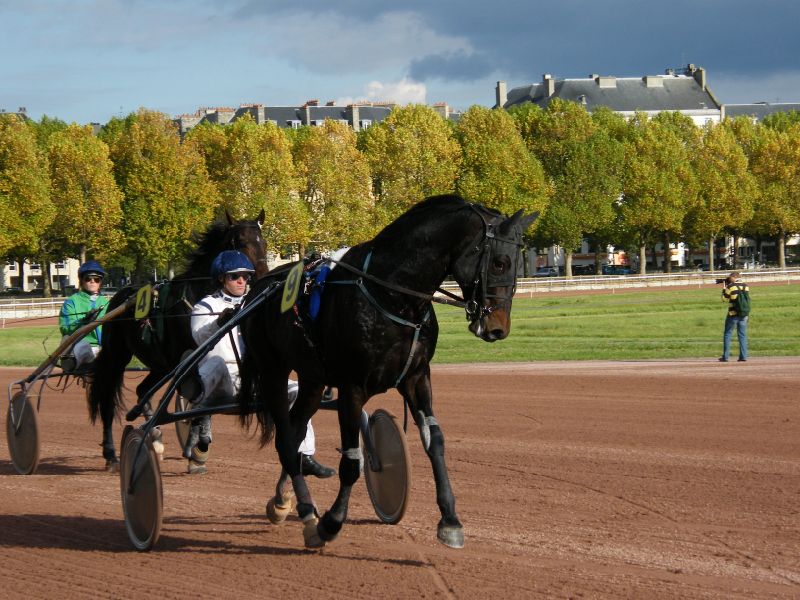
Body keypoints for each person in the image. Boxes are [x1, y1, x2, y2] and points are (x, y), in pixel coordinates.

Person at [182, 250, 335, 478]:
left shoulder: (257, 302)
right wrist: (220, 322)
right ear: (221, 279)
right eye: (235, 276)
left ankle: (304, 455)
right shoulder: (205, 306)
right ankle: (198, 402)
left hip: (256, 378)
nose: (242, 281)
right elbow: (200, 338)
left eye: (246, 276)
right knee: (217, 363)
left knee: (300, 393)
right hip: (222, 380)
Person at [58, 260, 110, 372]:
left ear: (100, 282)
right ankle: (71, 362)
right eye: (88, 278)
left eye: (96, 279)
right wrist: (84, 320)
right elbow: (65, 328)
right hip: (82, 346)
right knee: (80, 346)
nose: (92, 282)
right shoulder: (71, 302)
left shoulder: (106, 302)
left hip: (105, 348)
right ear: (81, 280)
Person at [720, 271, 749, 362]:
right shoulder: (746, 286)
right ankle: (743, 356)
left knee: (728, 334)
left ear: (733, 277)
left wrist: (724, 289)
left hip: (733, 314)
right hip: (744, 313)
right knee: (742, 335)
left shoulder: (730, 287)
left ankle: (725, 356)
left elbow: (724, 299)